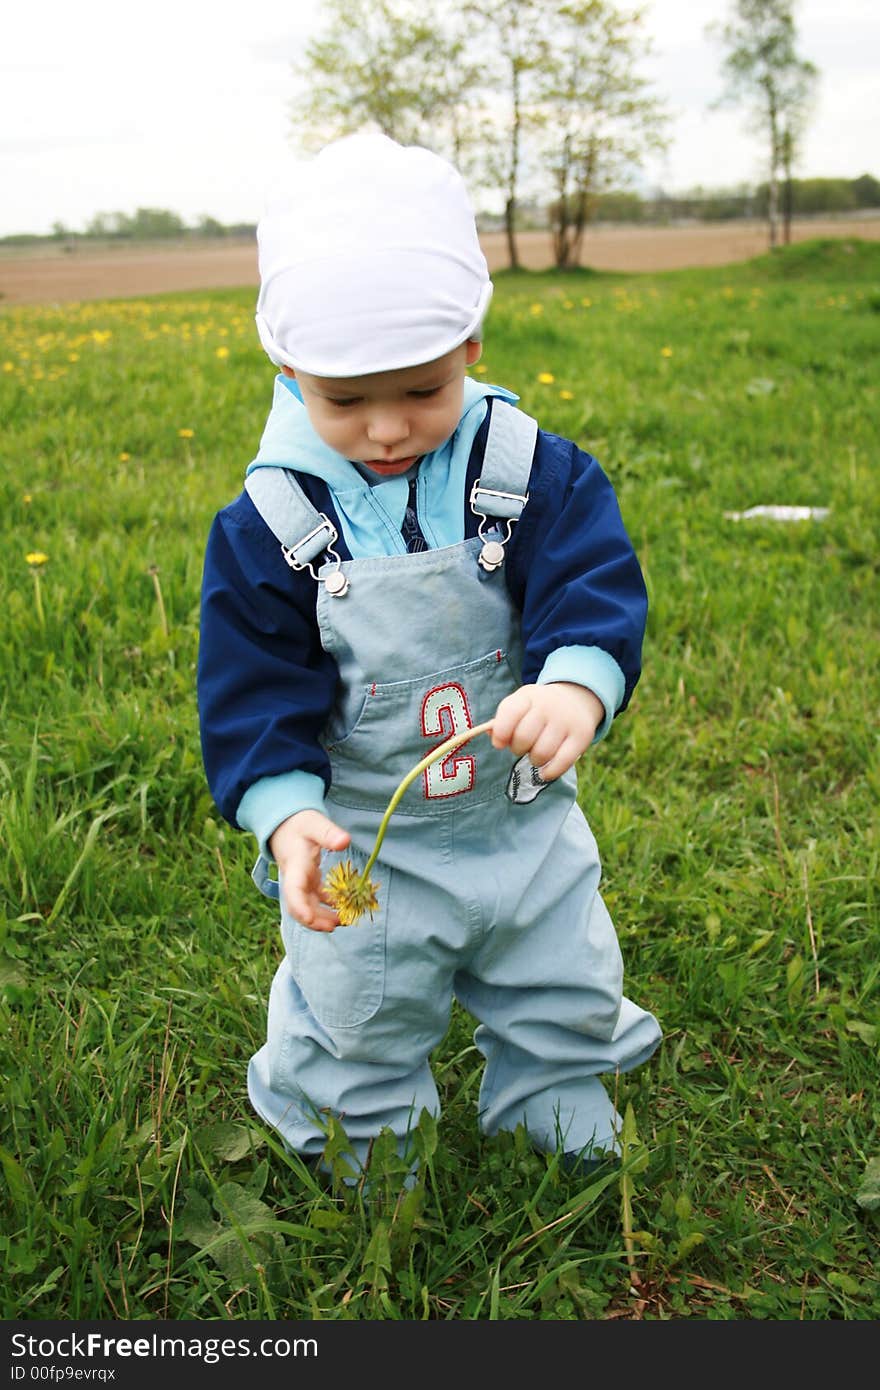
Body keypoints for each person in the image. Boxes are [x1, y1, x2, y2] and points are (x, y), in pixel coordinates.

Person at [197, 132, 661, 1181]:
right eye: (344, 401)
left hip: (519, 815)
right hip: (361, 838)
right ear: (286, 369)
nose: (386, 429)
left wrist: (577, 679)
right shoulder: (271, 520)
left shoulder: (531, 470)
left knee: (560, 966)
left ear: (473, 344)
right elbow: (250, 685)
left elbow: (593, 582)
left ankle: (553, 1091)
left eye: (419, 389)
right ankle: (360, 1128)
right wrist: (283, 813)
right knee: (358, 991)